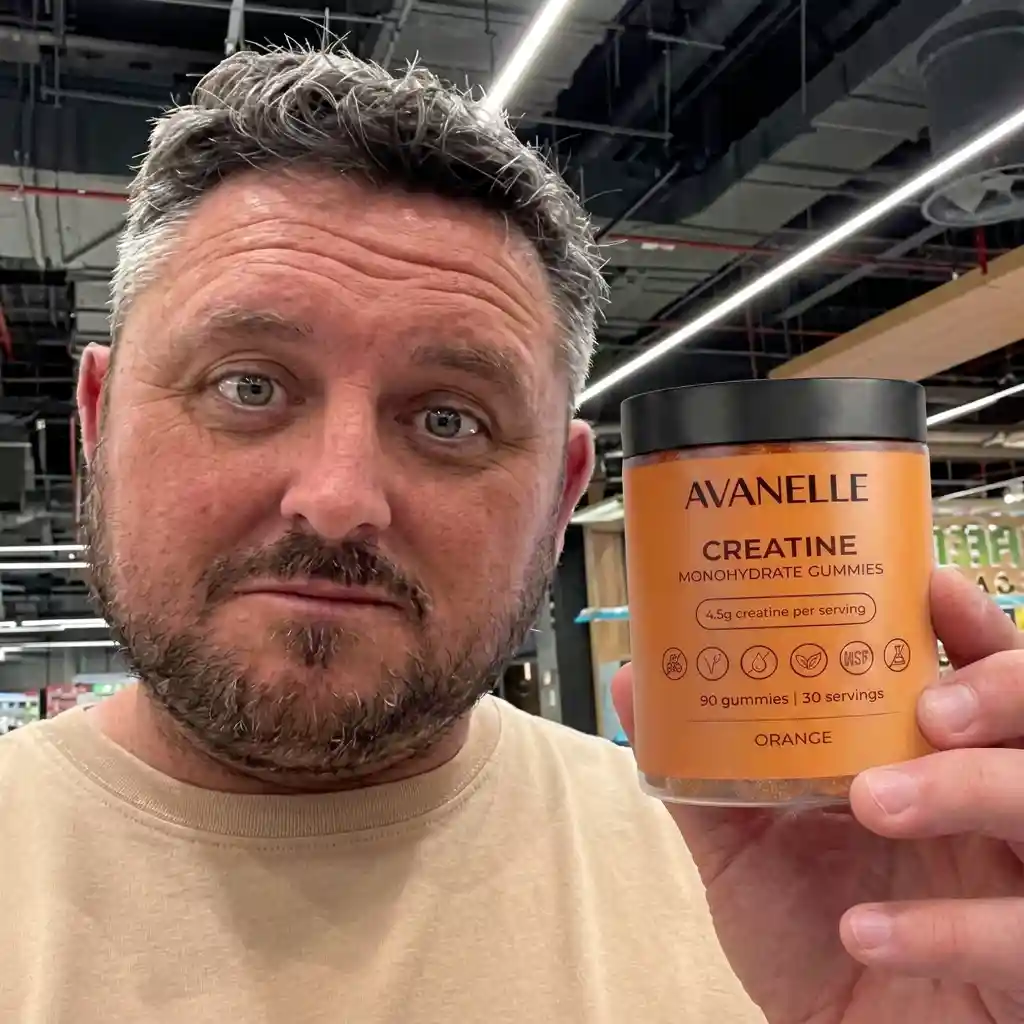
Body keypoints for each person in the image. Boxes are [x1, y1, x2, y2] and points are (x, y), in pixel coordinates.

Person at [0, 43, 1020, 1024]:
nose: (341, 495)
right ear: (96, 421)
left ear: (564, 487)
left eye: (450, 419)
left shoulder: (805, 899)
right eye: (248, 386)